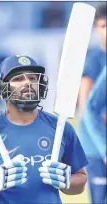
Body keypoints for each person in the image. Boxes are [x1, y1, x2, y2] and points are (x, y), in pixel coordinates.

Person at [0, 55, 88, 204]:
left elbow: (80, 181)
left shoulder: (60, 128)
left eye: (33, 78)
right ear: (2, 88)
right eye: (18, 79)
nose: (28, 83)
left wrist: (66, 181)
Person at [78, 3, 107, 204]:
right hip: (96, 146)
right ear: (97, 29)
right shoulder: (94, 60)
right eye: (104, 26)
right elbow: (86, 108)